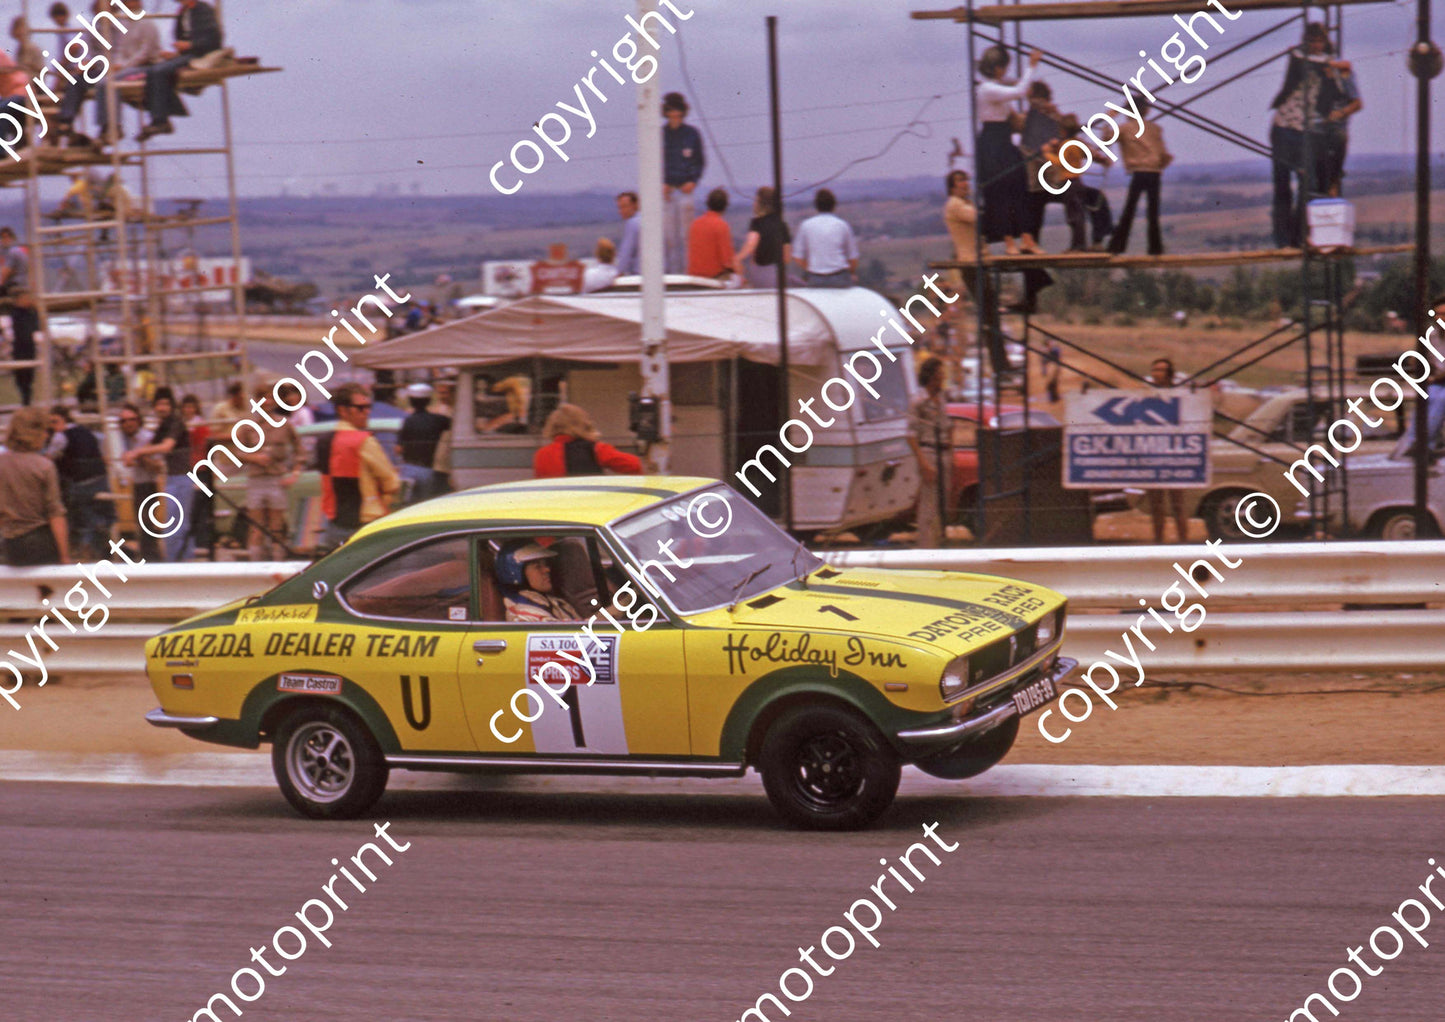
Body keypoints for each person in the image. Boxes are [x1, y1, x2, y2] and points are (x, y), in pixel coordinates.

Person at [1268, 23, 1349, 248]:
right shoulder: (1298, 57)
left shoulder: (1326, 62)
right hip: (1284, 127)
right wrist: (1334, 65)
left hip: (1305, 132)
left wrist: (1336, 73)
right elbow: (1309, 63)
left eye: (1319, 41)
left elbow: (1338, 89)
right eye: (1312, 40)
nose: (1315, 45)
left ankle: (1298, 236)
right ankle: (1283, 240)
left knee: (1308, 185)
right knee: (1282, 185)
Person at [57, 0, 164, 147]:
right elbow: (85, 50)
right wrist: (84, 63)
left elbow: (125, 52)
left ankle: (109, 127)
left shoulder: (123, 26)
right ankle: (66, 121)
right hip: (99, 69)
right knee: (76, 79)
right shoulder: (93, 29)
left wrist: (114, 66)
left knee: (107, 83)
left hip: (119, 68)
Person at [976, 45, 1043, 255]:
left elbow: (1014, 102)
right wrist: (1031, 67)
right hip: (992, 143)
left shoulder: (994, 88)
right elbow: (1019, 92)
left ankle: (1025, 239)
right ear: (998, 68)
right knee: (1001, 191)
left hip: (1002, 140)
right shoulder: (987, 89)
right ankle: (1010, 242)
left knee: (1019, 186)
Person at [316, 382, 401, 547]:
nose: (367, 412)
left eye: (368, 407)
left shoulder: (323, 440)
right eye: (360, 408)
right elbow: (392, 482)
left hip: (334, 523)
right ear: (342, 410)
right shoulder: (364, 441)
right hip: (365, 524)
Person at [121, 387, 192, 560]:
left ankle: (178, 566)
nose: (162, 408)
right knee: (177, 525)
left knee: (176, 526)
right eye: (159, 404)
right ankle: (182, 563)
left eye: (166, 403)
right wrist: (135, 456)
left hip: (181, 477)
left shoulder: (175, 422)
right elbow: (150, 449)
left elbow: (165, 446)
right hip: (172, 478)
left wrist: (136, 453)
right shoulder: (164, 425)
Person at [136, 0, 222, 142]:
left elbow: (213, 40)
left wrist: (189, 45)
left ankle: (160, 120)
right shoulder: (184, 11)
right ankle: (160, 117)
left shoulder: (202, 9)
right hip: (189, 53)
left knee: (159, 72)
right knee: (152, 71)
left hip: (201, 54)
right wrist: (177, 53)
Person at [237, 386, 300, 561]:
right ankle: (255, 566)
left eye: (271, 398)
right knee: (256, 527)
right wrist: (254, 458)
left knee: (276, 526)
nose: (268, 402)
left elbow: (299, 449)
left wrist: (295, 472)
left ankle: (277, 562)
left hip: (276, 478)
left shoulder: (284, 424)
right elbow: (237, 452)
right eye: (264, 398)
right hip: (256, 479)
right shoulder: (248, 426)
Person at [0, 406, 67, 565]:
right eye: (44, 430)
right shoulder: (44, 466)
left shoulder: (2, 463)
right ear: (34, 433)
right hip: (40, 540)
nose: (46, 435)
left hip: (12, 542)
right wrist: (65, 556)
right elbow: (55, 513)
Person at [46, 404, 112, 558]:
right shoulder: (86, 431)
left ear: (63, 420)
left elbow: (49, 457)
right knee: (102, 515)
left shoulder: (61, 436)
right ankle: (97, 544)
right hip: (100, 477)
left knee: (82, 517)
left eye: (55, 421)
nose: (53, 426)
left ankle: (85, 546)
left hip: (80, 481)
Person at [1109, 99, 1172, 256]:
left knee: (1129, 209)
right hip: (1154, 172)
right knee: (1153, 211)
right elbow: (1165, 155)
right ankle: (1155, 248)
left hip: (1138, 171)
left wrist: (1110, 116)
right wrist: (1157, 164)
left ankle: (1117, 246)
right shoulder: (1155, 128)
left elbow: (1106, 138)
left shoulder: (1124, 129)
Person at [908, 357, 952, 548]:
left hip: (944, 452)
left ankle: (939, 542)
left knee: (943, 501)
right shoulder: (919, 401)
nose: (943, 377)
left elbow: (948, 427)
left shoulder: (941, 399)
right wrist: (923, 464)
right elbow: (910, 435)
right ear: (932, 376)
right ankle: (926, 546)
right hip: (929, 452)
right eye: (940, 373)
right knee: (929, 502)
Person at [1145, 357, 1189, 543]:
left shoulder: (1180, 396)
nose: (1156, 374)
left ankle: (1183, 541)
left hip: (1174, 457)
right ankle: (1158, 542)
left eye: (1161, 370)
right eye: (1154, 370)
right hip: (1153, 456)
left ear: (1169, 374)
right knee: (1156, 505)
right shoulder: (1146, 397)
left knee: (1177, 504)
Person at [534, 403, 643, 478]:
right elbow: (635, 466)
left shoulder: (541, 454)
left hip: (555, 508)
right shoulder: (596, 449)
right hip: (590, 505)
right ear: (584, 424)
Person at [110, 401, 161, 560]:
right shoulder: (128, 439)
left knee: (146, 522)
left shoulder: (147, 438)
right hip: (138, 484)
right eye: (124, 421)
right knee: (141, 523)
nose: (128, 423)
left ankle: (153, 559)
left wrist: (138, 458)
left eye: (131, 419)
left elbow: (157, 466)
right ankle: (148, 557)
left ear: (138, 420)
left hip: (148, 484)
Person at [662, 92, 704, 275]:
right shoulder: (660, 134)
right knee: (670, 238)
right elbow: (654, 160)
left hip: (685, 191)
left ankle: (688, 273)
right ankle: (672, 275)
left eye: (678, 110)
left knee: (687, 236)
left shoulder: (691, 134)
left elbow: (700, 160)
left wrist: (693, 181)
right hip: (668, 192)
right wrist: (662, 183)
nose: (675, 114)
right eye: (671, 110)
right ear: (667, 112)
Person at [1316, 48, 1362, 198]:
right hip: (1316, 128)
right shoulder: (1316, 78)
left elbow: (1357, 103)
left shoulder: (1344, 77)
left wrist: (1340, 114)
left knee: (1339, 139)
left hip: (1335, 127)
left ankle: (1333, 183)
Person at [497, 541, 579, 623]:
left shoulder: (557, 602)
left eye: (546, 564)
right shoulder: (521, 613)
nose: (547, 569)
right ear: (516, 573)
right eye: (537, 566)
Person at [396, 381, 451, 504]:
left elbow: (398, 449)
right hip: (428, 469)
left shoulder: (408, 421)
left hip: (409, 468)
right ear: (429, 400)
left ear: (410, 400)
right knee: (425, 504)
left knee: (407, 504)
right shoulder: (439, 420)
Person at [792, 189, 859, 288]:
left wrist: (812, 268)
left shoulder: (806, 225)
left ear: (816, 205)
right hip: (840, 277)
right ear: (833, 205)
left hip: (815, 278)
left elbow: (798, 257)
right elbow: (853, 258)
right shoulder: (842, 225)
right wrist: (850, 273)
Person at [1, 226, 37, 405]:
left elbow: (4, 274)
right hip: (23, 299)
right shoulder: (20, 252)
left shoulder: (13, 253)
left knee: (22, 348)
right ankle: (26, 392)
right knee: (24, 348)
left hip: (18, 295)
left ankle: (25, 392)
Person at [736, 186, 791, 286]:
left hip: (761, 273)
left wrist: (737, 258)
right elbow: (786, 257)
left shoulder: (757, 223)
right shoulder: (782, 225)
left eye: (756, 201)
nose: (754, 204)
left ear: (762, 204)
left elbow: (751, 243)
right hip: (778, 275)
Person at [687, 187, 741, 283]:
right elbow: (726, 261)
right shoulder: (721, 225)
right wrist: (739, 273)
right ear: (725, 206)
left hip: (694, 276)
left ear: (708, 203)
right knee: (740, 282)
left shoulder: (695, 224)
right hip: (713, 278)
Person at [614, 191, 641, 277]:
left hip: (638, 273)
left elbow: (627, 250)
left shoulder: (632, 223)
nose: (620, 211)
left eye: (624, 207)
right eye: (619, 208)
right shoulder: (648, 220)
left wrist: (619, 272)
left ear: (635, 205)